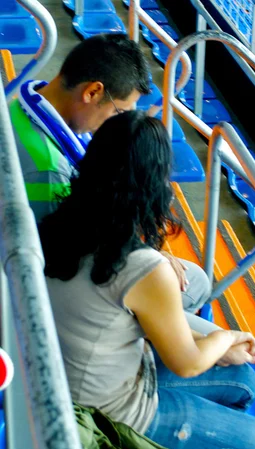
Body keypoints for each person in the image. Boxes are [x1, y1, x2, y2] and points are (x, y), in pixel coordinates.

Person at [38, 112, 255, 449]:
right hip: (109, 414)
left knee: (243, 380)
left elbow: (139, 321)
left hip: (74, 382)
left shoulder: (62, 219)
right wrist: (225, 337)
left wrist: (221, 350)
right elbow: (186, 363)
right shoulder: (140, 267)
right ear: (154, 183)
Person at [10, 33, 214, 335]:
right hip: (52, 292)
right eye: (120, 111)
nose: (118, 122)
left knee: (192, 279)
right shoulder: (47, 171)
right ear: (93, 92)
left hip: (64, 258)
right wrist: (145, 259)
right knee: (198, 298)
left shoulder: (20, 107)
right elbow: (65, 253)